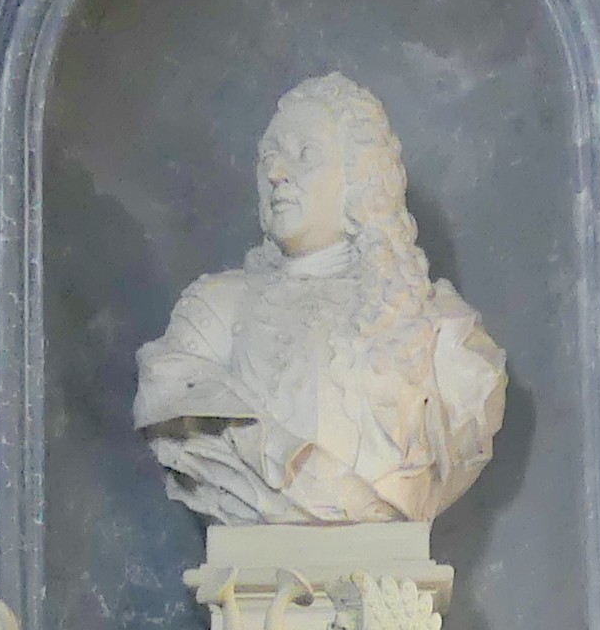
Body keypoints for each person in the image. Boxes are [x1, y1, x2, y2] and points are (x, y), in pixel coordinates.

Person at [135, 74, 508, 529]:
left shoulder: (443, 332)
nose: (276, 172)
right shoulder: (214, 313)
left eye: (305, 153)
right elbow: (173, 400)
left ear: (360, 178)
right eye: (268, 156)